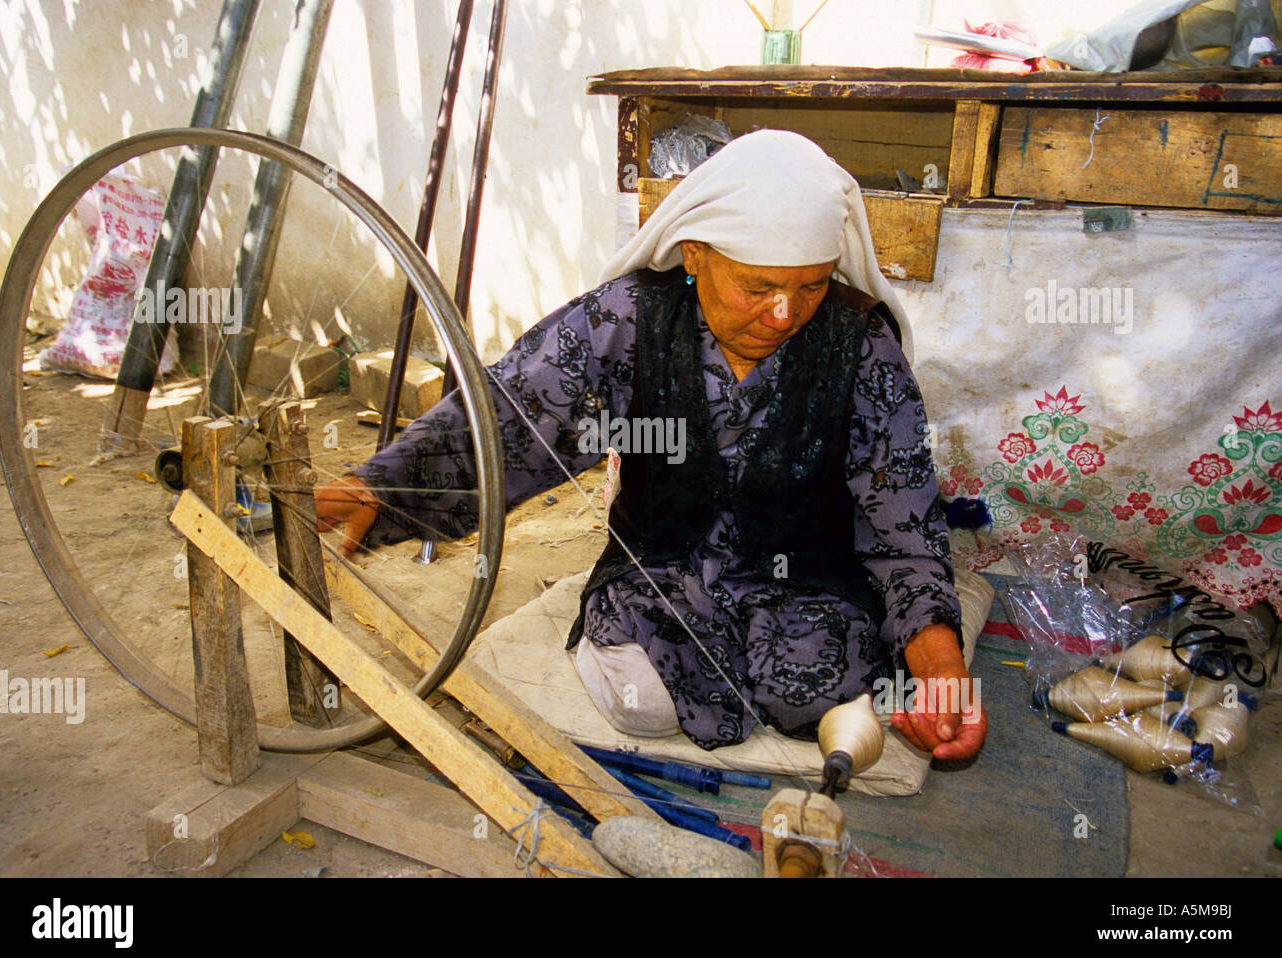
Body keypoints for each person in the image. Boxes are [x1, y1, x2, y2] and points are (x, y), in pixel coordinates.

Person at [316, 130, 987, 761]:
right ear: (695, 254)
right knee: (647, 705)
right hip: (660, 576)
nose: (785, 314)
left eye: (811, 286)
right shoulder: (629, 320)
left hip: (806, 584)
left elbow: (904, 529)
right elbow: (513, 412)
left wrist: (941, 671)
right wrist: (386, 485)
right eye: (759, 287)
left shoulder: (859, 349)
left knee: (811, 688)